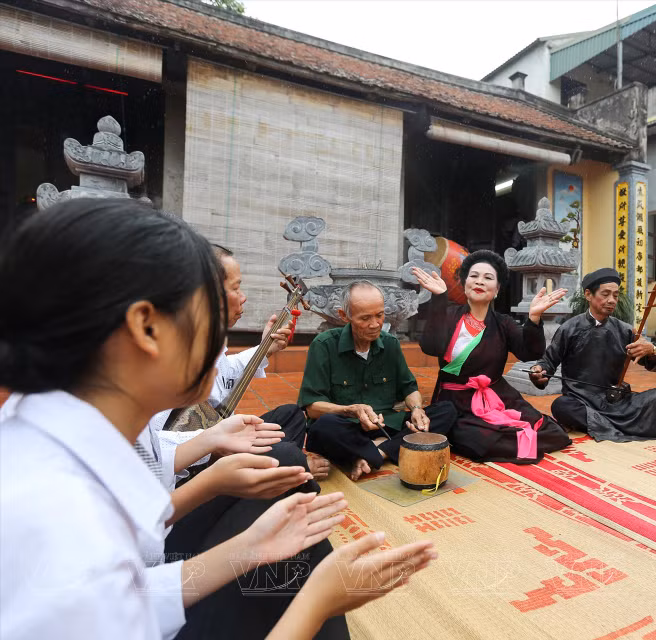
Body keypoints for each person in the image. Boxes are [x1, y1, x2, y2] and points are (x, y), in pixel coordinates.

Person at [0, 199, 435, 639]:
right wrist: (315, 603)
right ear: (146, 328)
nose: (225, 334)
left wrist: (249, 547)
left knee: (288, 539)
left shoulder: (67, 435)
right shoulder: (46, 512)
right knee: (302, 573)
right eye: (212, 313)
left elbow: (130, 592)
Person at [153, 244, 331, 484]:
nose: (243, 296)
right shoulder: (160, 360)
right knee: (289, 456)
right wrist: (212, 440)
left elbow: (225, 375)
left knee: (291, 415)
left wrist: (265, 348)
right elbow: (144, 448)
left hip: (216, 438)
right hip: (184, 475)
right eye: (236, 288)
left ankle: (277, 474)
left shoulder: (209, 339)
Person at [412, 251, 572, 463]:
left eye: (488, 278)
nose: (479, 281)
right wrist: (439, 299)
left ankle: (511, 441)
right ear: (465, 282)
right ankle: (504, 441)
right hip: (455, 401)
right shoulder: (450, 315)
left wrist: (534, 319)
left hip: (498, 395)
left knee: (553, 433)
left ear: (496, 290)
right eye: (474, 276)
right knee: (479, 440)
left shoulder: (503, 323)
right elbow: (431, 346)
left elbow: (530, 352)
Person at [299, 281, 457, 481]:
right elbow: (312, 407)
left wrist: (417, 409)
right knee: (323, 427)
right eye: (365, 318)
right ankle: (394, 447)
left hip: (385, 425)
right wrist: (350, 409)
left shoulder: (390, 344)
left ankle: (377, 453)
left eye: (380, 315)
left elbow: (409, 388)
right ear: (344, 316)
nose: (375, 324)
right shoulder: (324, 345)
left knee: (446, 411)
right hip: (346, 426)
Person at [528, 267, 656, 442]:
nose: (612, 300)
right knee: (561, 406)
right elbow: (547, 362)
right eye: (605, 294)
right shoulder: (569, 328)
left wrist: (652, 350)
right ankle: (623, 426)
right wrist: (538, 371)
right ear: (588, 295)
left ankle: (605, 425)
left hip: (617, 402)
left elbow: (655, 364)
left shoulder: (624, 330)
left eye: (615, 295)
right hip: (582, 402)